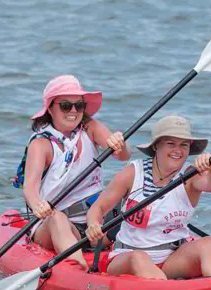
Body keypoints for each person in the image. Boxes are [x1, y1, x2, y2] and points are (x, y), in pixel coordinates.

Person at [86, 115, 211, 280]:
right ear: (156, 146)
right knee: (139, 257)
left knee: (209, 243)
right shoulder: (132, 173)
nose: (178, 150)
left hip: (171, 258)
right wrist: (93, 225)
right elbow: (99, 208)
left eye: (184, 145)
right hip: (127, 257)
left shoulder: (191, 175)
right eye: (170, 144)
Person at [14, 74, 130, 269]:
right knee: (57, 218)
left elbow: (122, 156)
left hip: (95, 219)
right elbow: (30, 189)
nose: (73, 111)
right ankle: (78, 270)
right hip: (56, 225)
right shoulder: (41, 143)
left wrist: (120, 143)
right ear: (50, 108)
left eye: (79, 105)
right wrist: (38, 205)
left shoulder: (90, 127)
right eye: (66, 106)